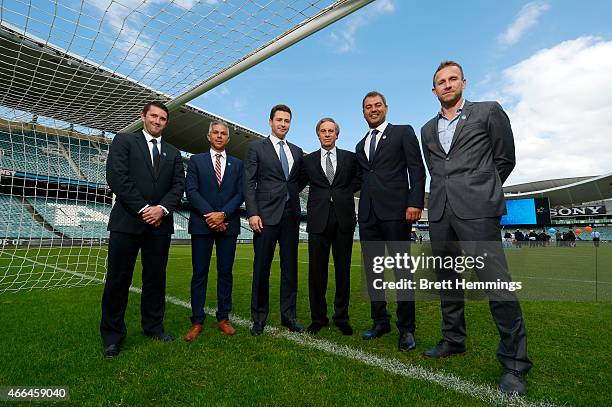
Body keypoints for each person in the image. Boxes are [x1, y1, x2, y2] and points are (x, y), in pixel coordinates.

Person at [420, 61, 532, 394]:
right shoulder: (427, 129)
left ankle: (514, 364)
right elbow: (439, 170)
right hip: (440, 213)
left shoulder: (488, 112)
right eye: (441, 81)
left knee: (496, 284)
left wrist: (482, 191)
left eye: (452, 79)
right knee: (448, 282)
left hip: (477, 211)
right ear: (434, 89)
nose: (447, 84)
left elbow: (505, 158)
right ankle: (453, 340)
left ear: (464, 83)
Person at [100, 101, 185, 358]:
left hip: (160, 226)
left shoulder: (173, 152)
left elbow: (178, 186)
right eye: (154, 116)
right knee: (118, 280)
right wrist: (144, 209)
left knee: (155, 280)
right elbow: (117, 178)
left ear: (166, 122)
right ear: (143, 117)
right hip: (127, 222)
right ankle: (113, 336)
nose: (158, 121)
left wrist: (161, 210)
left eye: (162, 118)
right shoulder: (124, 141)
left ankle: (153, 327)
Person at [355, 91, 426, 351]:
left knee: (401, 272)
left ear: (386, 107)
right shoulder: (360, 144)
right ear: (363, 112)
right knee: (373, 272)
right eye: (368, 107)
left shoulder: (403, 132)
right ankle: (380, 321)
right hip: (368, 215)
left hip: (397, 212)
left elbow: (416, 169)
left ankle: (406, 329)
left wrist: (415, 202)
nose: (373, 109)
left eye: (377, 105)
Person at [244, 104, 306, 336]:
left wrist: (288, 195)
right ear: (270, 121)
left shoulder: (297, 151)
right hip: (264, 216)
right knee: (262, 267)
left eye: (287, 120)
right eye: (279, 120)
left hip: (290, 216)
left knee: (290, 269)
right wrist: (252, 212)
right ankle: (259, 317)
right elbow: (249, 182)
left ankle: (289, 316)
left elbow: (297, 181)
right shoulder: (256, 147)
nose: (283, 124)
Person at [184, 120, 244, 342]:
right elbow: (191, 190)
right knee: (199, 273)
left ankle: (223, 317)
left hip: (228, 225)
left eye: (223, 134)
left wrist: (223, 215)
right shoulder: (195, 161)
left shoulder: (238, 164)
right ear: (208, 136)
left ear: (228, 139)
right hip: (202, 224)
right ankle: (197, 320)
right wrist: (212, 216)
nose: (219, 136)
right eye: (215, 133)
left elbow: (241, 193)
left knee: (225, 273)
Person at [300, 118, 360, 335]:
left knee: (343, 271)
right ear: (318, 134)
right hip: (318, 221)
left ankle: (341, 317)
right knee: (317, 273)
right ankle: (318, 318)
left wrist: (342, 193)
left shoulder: (350, 158)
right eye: (323, 131)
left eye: (331, 131)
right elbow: (297, 183)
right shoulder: (308, 161)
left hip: (343, 220)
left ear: (337, 134)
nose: (327, 134)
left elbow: (359, 179)